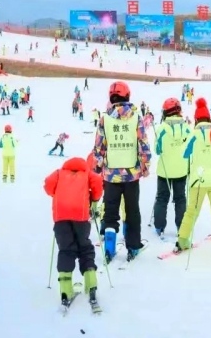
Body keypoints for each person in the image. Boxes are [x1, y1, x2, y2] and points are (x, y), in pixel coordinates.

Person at [93, 81, 151, 263]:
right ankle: (133, 246)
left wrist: (98, 164)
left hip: (111, 175)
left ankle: (109, 248)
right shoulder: (136, 117)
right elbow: (143, 143)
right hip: (131, 175)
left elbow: (99, 147)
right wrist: (145, 164)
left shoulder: (104, 119)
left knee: (110, 212)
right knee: (132, 211)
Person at [44, 156, 103, 307]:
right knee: (84, 247)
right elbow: (98, 182)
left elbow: (48, 184)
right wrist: (94, 199)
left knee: (66, 250)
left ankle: (65, 291)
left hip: (61, 216)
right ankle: (91, 285)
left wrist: (55, 193)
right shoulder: (87, 173)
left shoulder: (59, 173)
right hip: (81, 216)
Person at [176, 111, 211, 252]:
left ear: (196, 119)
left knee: (191, 212)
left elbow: (184, 154)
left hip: (198, 180)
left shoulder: (193, 134)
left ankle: (182, 240)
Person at [152, 97, 193, 238]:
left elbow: (157, 150)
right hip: (181, 171)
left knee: (162, 198)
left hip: (164, 171)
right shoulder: (186, 128)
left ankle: (159, 226)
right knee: (180, 198)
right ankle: (181, 227)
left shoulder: (162, 129)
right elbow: (191, 149)